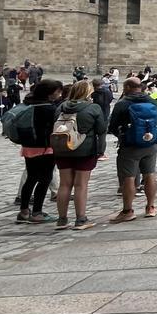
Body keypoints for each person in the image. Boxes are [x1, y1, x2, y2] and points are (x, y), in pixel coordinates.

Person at [108, 77, 157, 223]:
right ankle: (151, 207)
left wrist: (123, 136)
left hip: (130, 146)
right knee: (149, 174)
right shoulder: (152, 101)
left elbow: (112, 126)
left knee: (129, 178)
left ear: (127, 87)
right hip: (150, 145)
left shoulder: (123, 103)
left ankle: (128, 211)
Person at [53, 79, 106, 230]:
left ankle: (62, 219)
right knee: (80, 185)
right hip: (85, 149)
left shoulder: (61, 107)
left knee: (64, 184)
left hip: (63, 148)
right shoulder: (93, 108)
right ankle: (80, 219)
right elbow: (102, 129)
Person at [15, 80, 65, 224]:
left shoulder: (28, 104)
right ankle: (37, 212)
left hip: (28, 147)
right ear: (49, 93)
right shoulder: (49, 109)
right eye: (57, 91)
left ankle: (24, 211)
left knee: (31, 178)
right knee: (45, 179)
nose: (59, 94)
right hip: (45, 148)